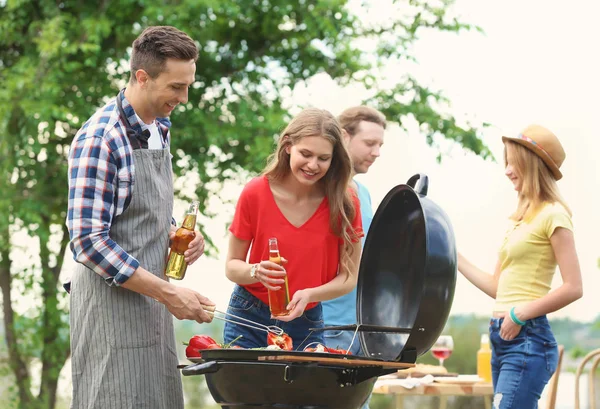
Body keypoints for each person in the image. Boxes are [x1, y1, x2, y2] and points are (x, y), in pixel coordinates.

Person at [66, 26, 214, 409]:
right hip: (109, 311)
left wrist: (173, 234)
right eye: (175, 87)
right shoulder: (100, 138)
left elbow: (136, 212)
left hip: (150, 305)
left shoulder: (158, 128)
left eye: (188, 86)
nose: (183, 98)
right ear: (142, 77)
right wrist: (169, 293)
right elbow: (88, 241)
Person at [458, 125, 583, 409]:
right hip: (501, 336)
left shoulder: (554, 215)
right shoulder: (519, 221)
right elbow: (496, 286)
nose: (507, 170)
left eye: (513, 162)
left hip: (528, 338)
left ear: (532, 164)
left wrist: (519, 313)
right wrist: (453, 258)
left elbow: (574, 287)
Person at [223, 108, 364, 350]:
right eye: (305, 154)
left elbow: (349, 278)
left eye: (323, 158)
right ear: (288, 146)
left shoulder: (345, 202)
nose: (312, 165)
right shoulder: (255, 192)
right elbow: (232, 266)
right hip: (249, 316)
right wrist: (256, 271)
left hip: (307, 321)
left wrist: (310, 295)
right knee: (244, 388)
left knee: (302, 389)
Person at [322, 106, 386, 355]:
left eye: (381, 145)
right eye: (370, 143)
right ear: (344, 137)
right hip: (327, 326)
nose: (377, 152)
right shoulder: (320, 190)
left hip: (363, 328)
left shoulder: (364, 193)